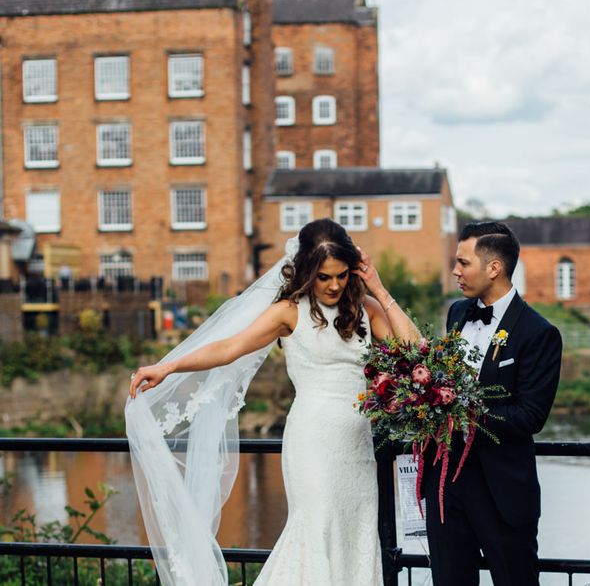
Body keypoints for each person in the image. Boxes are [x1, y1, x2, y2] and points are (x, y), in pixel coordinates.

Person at [126, 219, 420, 586]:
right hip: (312, 443)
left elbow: (416, 352)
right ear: (306, 272)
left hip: (357, 446)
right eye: (324, 277)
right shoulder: (288, 312)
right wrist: (168, 367)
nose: (333, 285)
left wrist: (376, 286)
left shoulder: (365, 307)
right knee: (316, 529)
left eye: (342, 275)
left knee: (356, 534)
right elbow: (228, 348)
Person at [422, 221, 562, 586]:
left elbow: (530, 415)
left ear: (494, 268)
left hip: (501, 494)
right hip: (447, 491)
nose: (455, 271)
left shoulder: (539, 333)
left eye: (463, 263)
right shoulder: (456, 313)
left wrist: (460, 416)